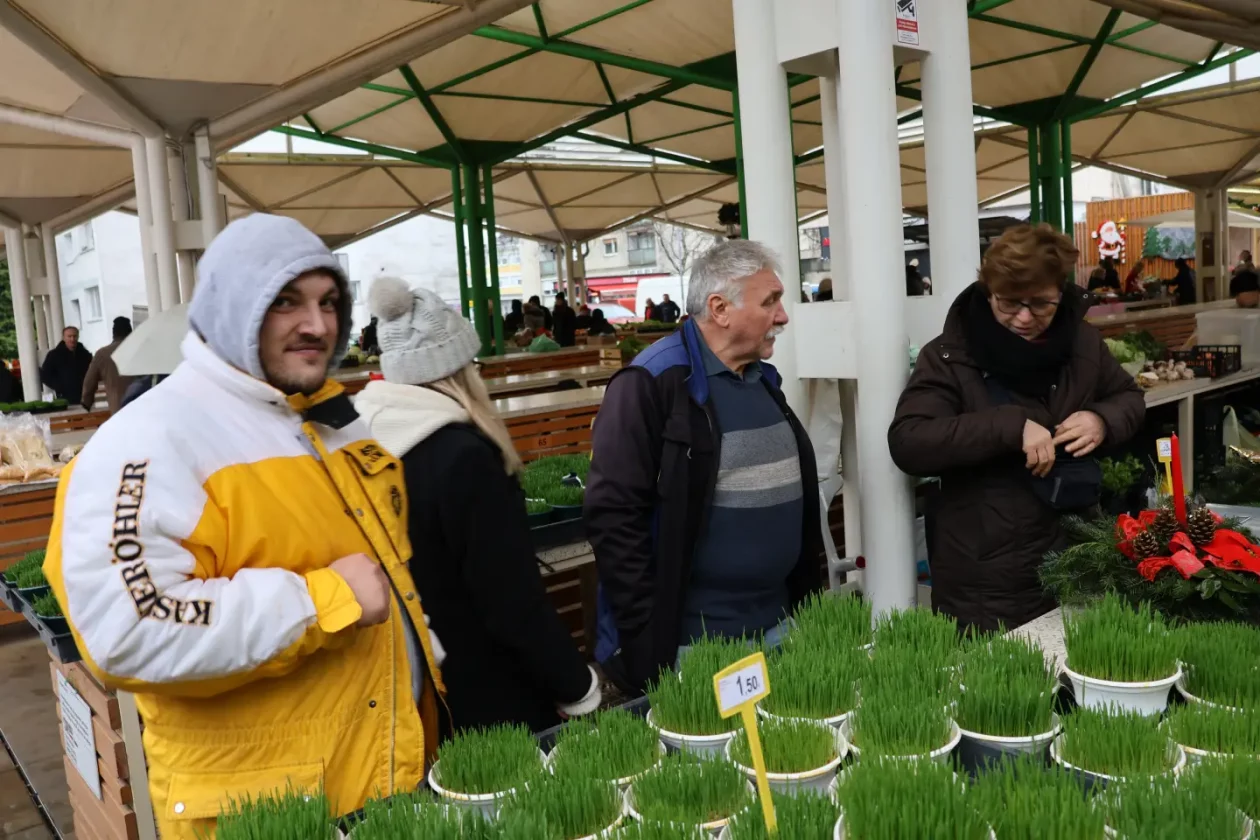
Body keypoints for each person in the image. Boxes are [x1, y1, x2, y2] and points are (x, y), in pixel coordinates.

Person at [42, 214, 444, 839]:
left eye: (328, 301)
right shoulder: (148, 443)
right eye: (286, 301)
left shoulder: (329, 420)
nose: (317, 324)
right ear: (232, 307)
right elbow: (127, 628)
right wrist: (323, 601)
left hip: (385, 772)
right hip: (270, 810)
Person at [355, 278, 600, 735]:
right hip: (490, 699)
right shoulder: (464, 457)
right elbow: (511, 601)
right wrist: (576, 685)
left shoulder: (360, 446)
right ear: (460, 368)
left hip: (403, 694)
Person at [586, 239, 823, 692]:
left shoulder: (761, 378)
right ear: (720, 309)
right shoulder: (652, 383)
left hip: (776, 626)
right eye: (770, 301)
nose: (783, 316)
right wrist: (647, 638)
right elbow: (614, 518)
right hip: (697, 646)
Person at [888, 224, 1144, 633]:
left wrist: (1102, 420)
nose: (1025, 318)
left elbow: (1129, 397)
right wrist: (1011, 426)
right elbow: (910, 441)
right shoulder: (949, 355)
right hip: (986, 578)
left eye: (1041, 305)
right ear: (988, 290)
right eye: (1008, 304)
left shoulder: (1082, 342)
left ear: (1061, 293)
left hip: (1076, 556)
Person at [81, 317, 136, 414]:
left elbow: (89, 381)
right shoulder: (139, 350)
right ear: (130, 331)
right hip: (141, 404)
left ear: (114, 333)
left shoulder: (103, 354)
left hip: (117, 407)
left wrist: (86, 402)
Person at [40, 326, 92, 403]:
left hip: (85, 396)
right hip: (64, 397)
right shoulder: (54, 355)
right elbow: (45, 375)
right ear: (64, 338)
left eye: (74, 336)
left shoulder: (85, 355)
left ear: (78, 337)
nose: (72, 339)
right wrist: (60, 387)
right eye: (69, 336)